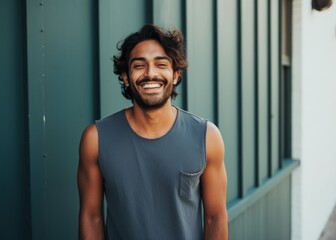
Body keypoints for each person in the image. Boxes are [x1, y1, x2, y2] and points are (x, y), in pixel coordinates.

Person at [77, 24, 228, 240]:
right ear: (126, 77)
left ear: (175, 74)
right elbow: (91, 217)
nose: (150, 73)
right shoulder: (96, 139)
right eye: (139, 65)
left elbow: (215, 218)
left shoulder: (206, 137)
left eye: (161, 64)